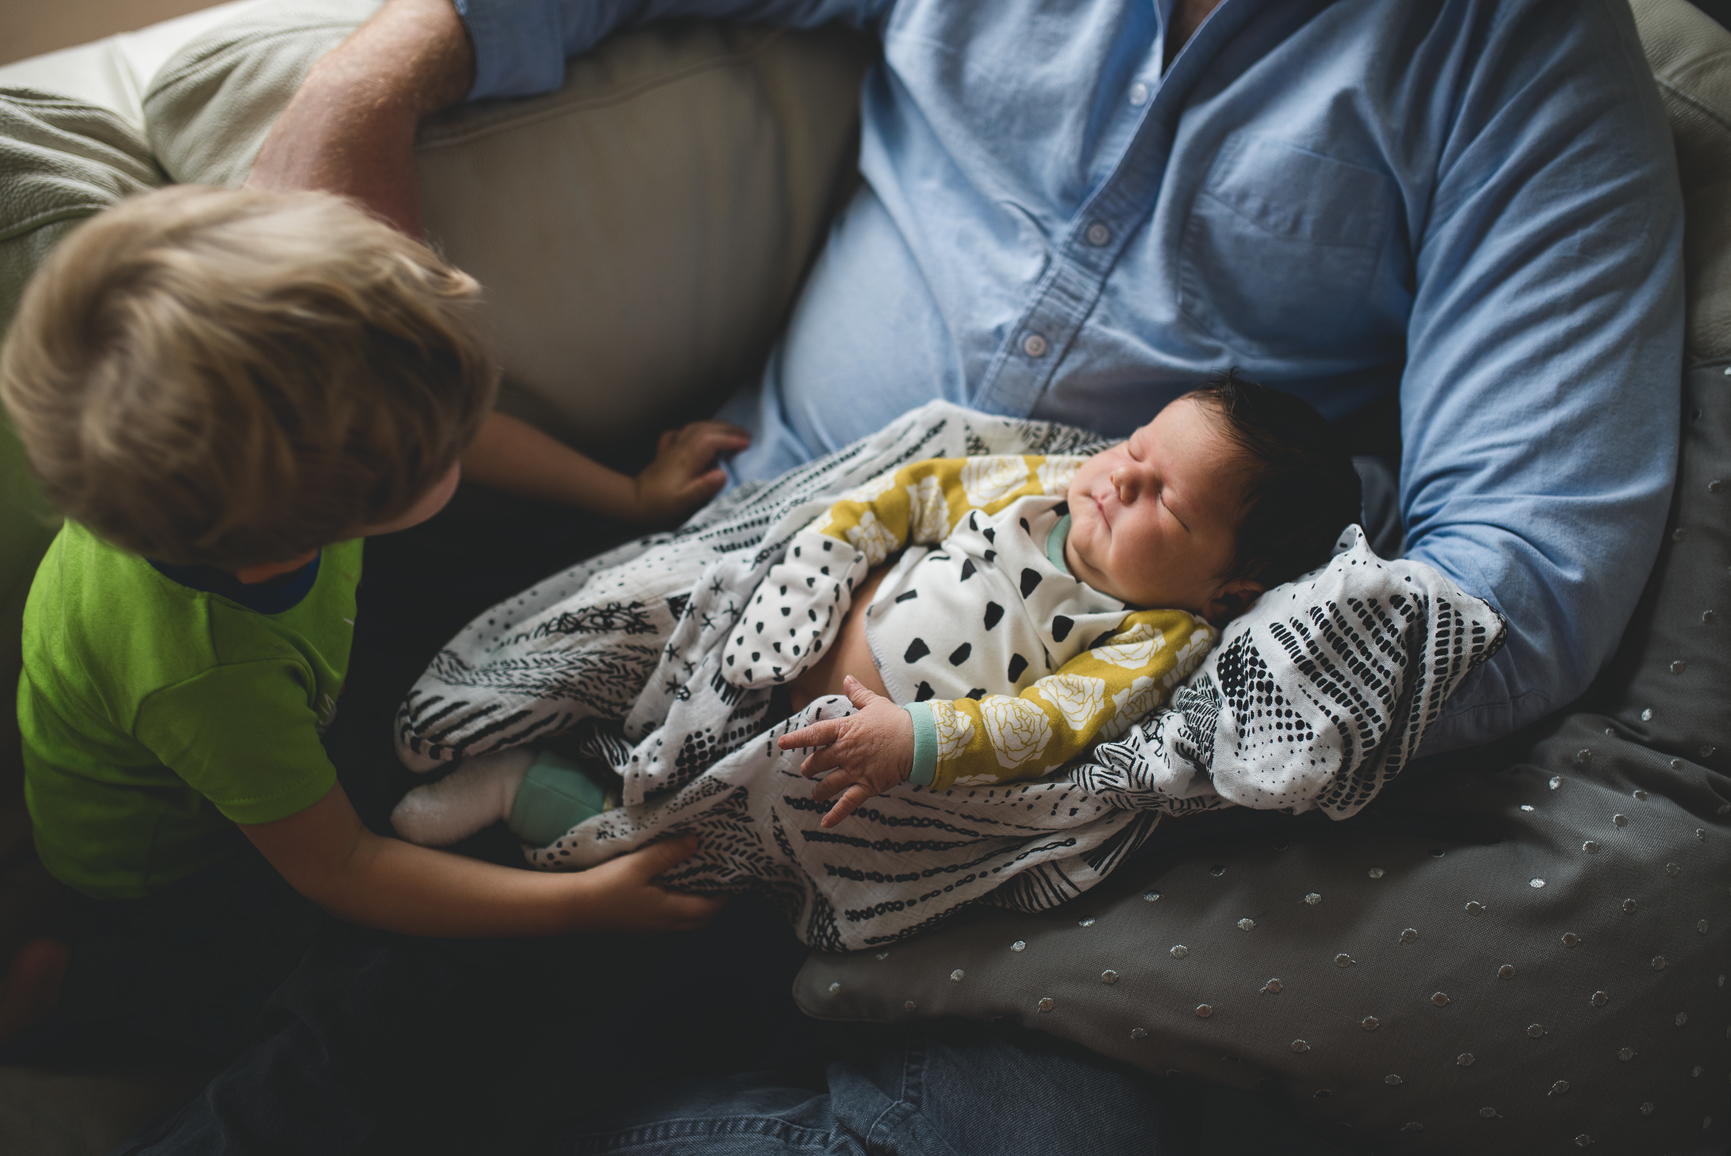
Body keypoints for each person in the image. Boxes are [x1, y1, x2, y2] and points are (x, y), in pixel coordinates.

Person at [148, 0, 1683, 1151]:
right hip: (714, 562)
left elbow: (1525, 577)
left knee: (1028, 1137)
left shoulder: (1517, 60)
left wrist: (1102, 735)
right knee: (372, 997)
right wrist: (361, 90)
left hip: (1024, 785)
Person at [0, 185, 737, 1057]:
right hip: (186, 864)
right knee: (371, 993)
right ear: (292, 544)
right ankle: (71, 983)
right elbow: (340, 866)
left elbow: (452, 437)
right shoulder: (206, 672)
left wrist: (629, 496)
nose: (462, 434)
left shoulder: (273, 473)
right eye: (434, 454)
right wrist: (577, 906)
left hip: (286, 696)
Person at [391, 374, 1360, 849]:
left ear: (1228, 590)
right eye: (1138, 445)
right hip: (765, 634)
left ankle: (527, 791)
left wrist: (919, 742)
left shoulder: (1155, 638)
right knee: (649, 659)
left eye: (1166, 500)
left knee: (669, 836)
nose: (1120, 478)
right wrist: (817, 568)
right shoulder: (1046, 484)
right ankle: (512, 700)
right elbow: (911, 489)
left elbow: (1055, 719)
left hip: (842, 755)